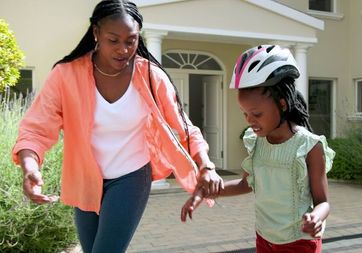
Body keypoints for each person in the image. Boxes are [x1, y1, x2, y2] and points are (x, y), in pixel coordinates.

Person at [11, 1, 223, 252]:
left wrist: (206, 165)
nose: (123, 49)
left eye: (130, 41)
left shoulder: (151, 76)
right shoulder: (66, 74)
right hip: (84, 180)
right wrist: (30, 168)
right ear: (96, 33)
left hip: (131, 176)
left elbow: (185, 127)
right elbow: (36, 128)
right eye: (114, 40)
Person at [181, 45, 335, 253]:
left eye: (257, 114)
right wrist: (205, 192)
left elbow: (323, 201)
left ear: (282, 104)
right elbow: (247, 184)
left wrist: (316, 217)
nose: (250, 121)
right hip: (264, 238)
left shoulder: (309, 146)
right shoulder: (256, 141)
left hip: (299, 243)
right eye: (245, 114)